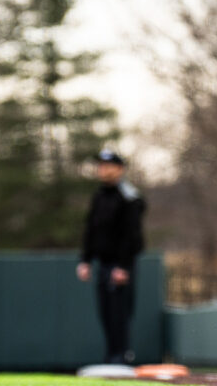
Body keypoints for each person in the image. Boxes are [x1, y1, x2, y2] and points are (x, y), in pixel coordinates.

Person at [76, 149, 146, 365]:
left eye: (107, 166)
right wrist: (86, 260)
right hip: (103, 263)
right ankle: (111, 355)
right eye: (100, 166)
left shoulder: (129, 196)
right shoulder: (99, 196)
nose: (102, 170)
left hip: (121, 265)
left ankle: (122, 355)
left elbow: (131, 235)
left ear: (119, 169)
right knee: (105, 312)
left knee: (119, 313)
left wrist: (123, 266)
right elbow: (91, 229)